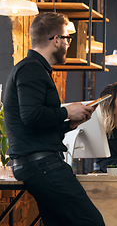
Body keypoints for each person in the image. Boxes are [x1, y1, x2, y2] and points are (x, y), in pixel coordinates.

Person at [3, 12, 105, 226]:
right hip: (42, 165)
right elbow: (31, 116)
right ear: (56, 39)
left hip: (39, 164)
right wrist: (68, 112)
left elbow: (37, 124)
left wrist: (70, 123)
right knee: (92, 222)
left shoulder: (35, 69)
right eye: (68, 38)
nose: (69, 43)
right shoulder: (31, 69)